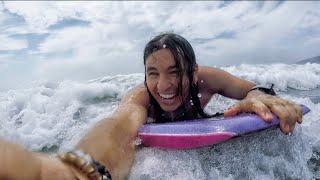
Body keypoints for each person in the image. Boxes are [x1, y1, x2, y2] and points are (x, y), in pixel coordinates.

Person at [0, 33, 302, 180]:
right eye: (153, 74)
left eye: (175, 72)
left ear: (193, 71)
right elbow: (118, 129)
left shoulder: (207, 79)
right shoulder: (138, 98)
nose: (164, 85)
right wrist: (78, 170)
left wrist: (260, 97)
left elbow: (249, 88)